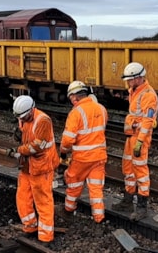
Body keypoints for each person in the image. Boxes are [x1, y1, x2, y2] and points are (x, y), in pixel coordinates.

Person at [6, 95, 59, 244]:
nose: (22, 120)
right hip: (28, 166)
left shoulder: (43, 120)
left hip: (42, 167)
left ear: (31, 109)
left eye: (24, 117)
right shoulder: (22, 116)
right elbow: (24, 133)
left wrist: (19, 150)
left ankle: (46, 236)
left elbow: (38, 146)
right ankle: (30, 227)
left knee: (43, 201)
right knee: (23, 197)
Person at [112, 62, 158, 221]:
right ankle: (128, 200)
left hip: (140, 138)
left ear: (139, 78)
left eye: (130, 79)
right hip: (131, 136)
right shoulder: (135, 91)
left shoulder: (148, 95)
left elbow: (147, 121)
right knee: (128, 168)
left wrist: (140, 142)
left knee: (141, 172)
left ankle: (142, 207)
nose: (128, 83)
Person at [59, 81, 108, 224]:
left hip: (82, 158)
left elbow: (67, 140)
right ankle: (99, 218)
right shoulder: (101, 108)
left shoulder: (76, 113)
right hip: (99, 156)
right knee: (96, 188)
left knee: (74, 183)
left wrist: (63, 152)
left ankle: (68, 210)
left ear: (74, 97)